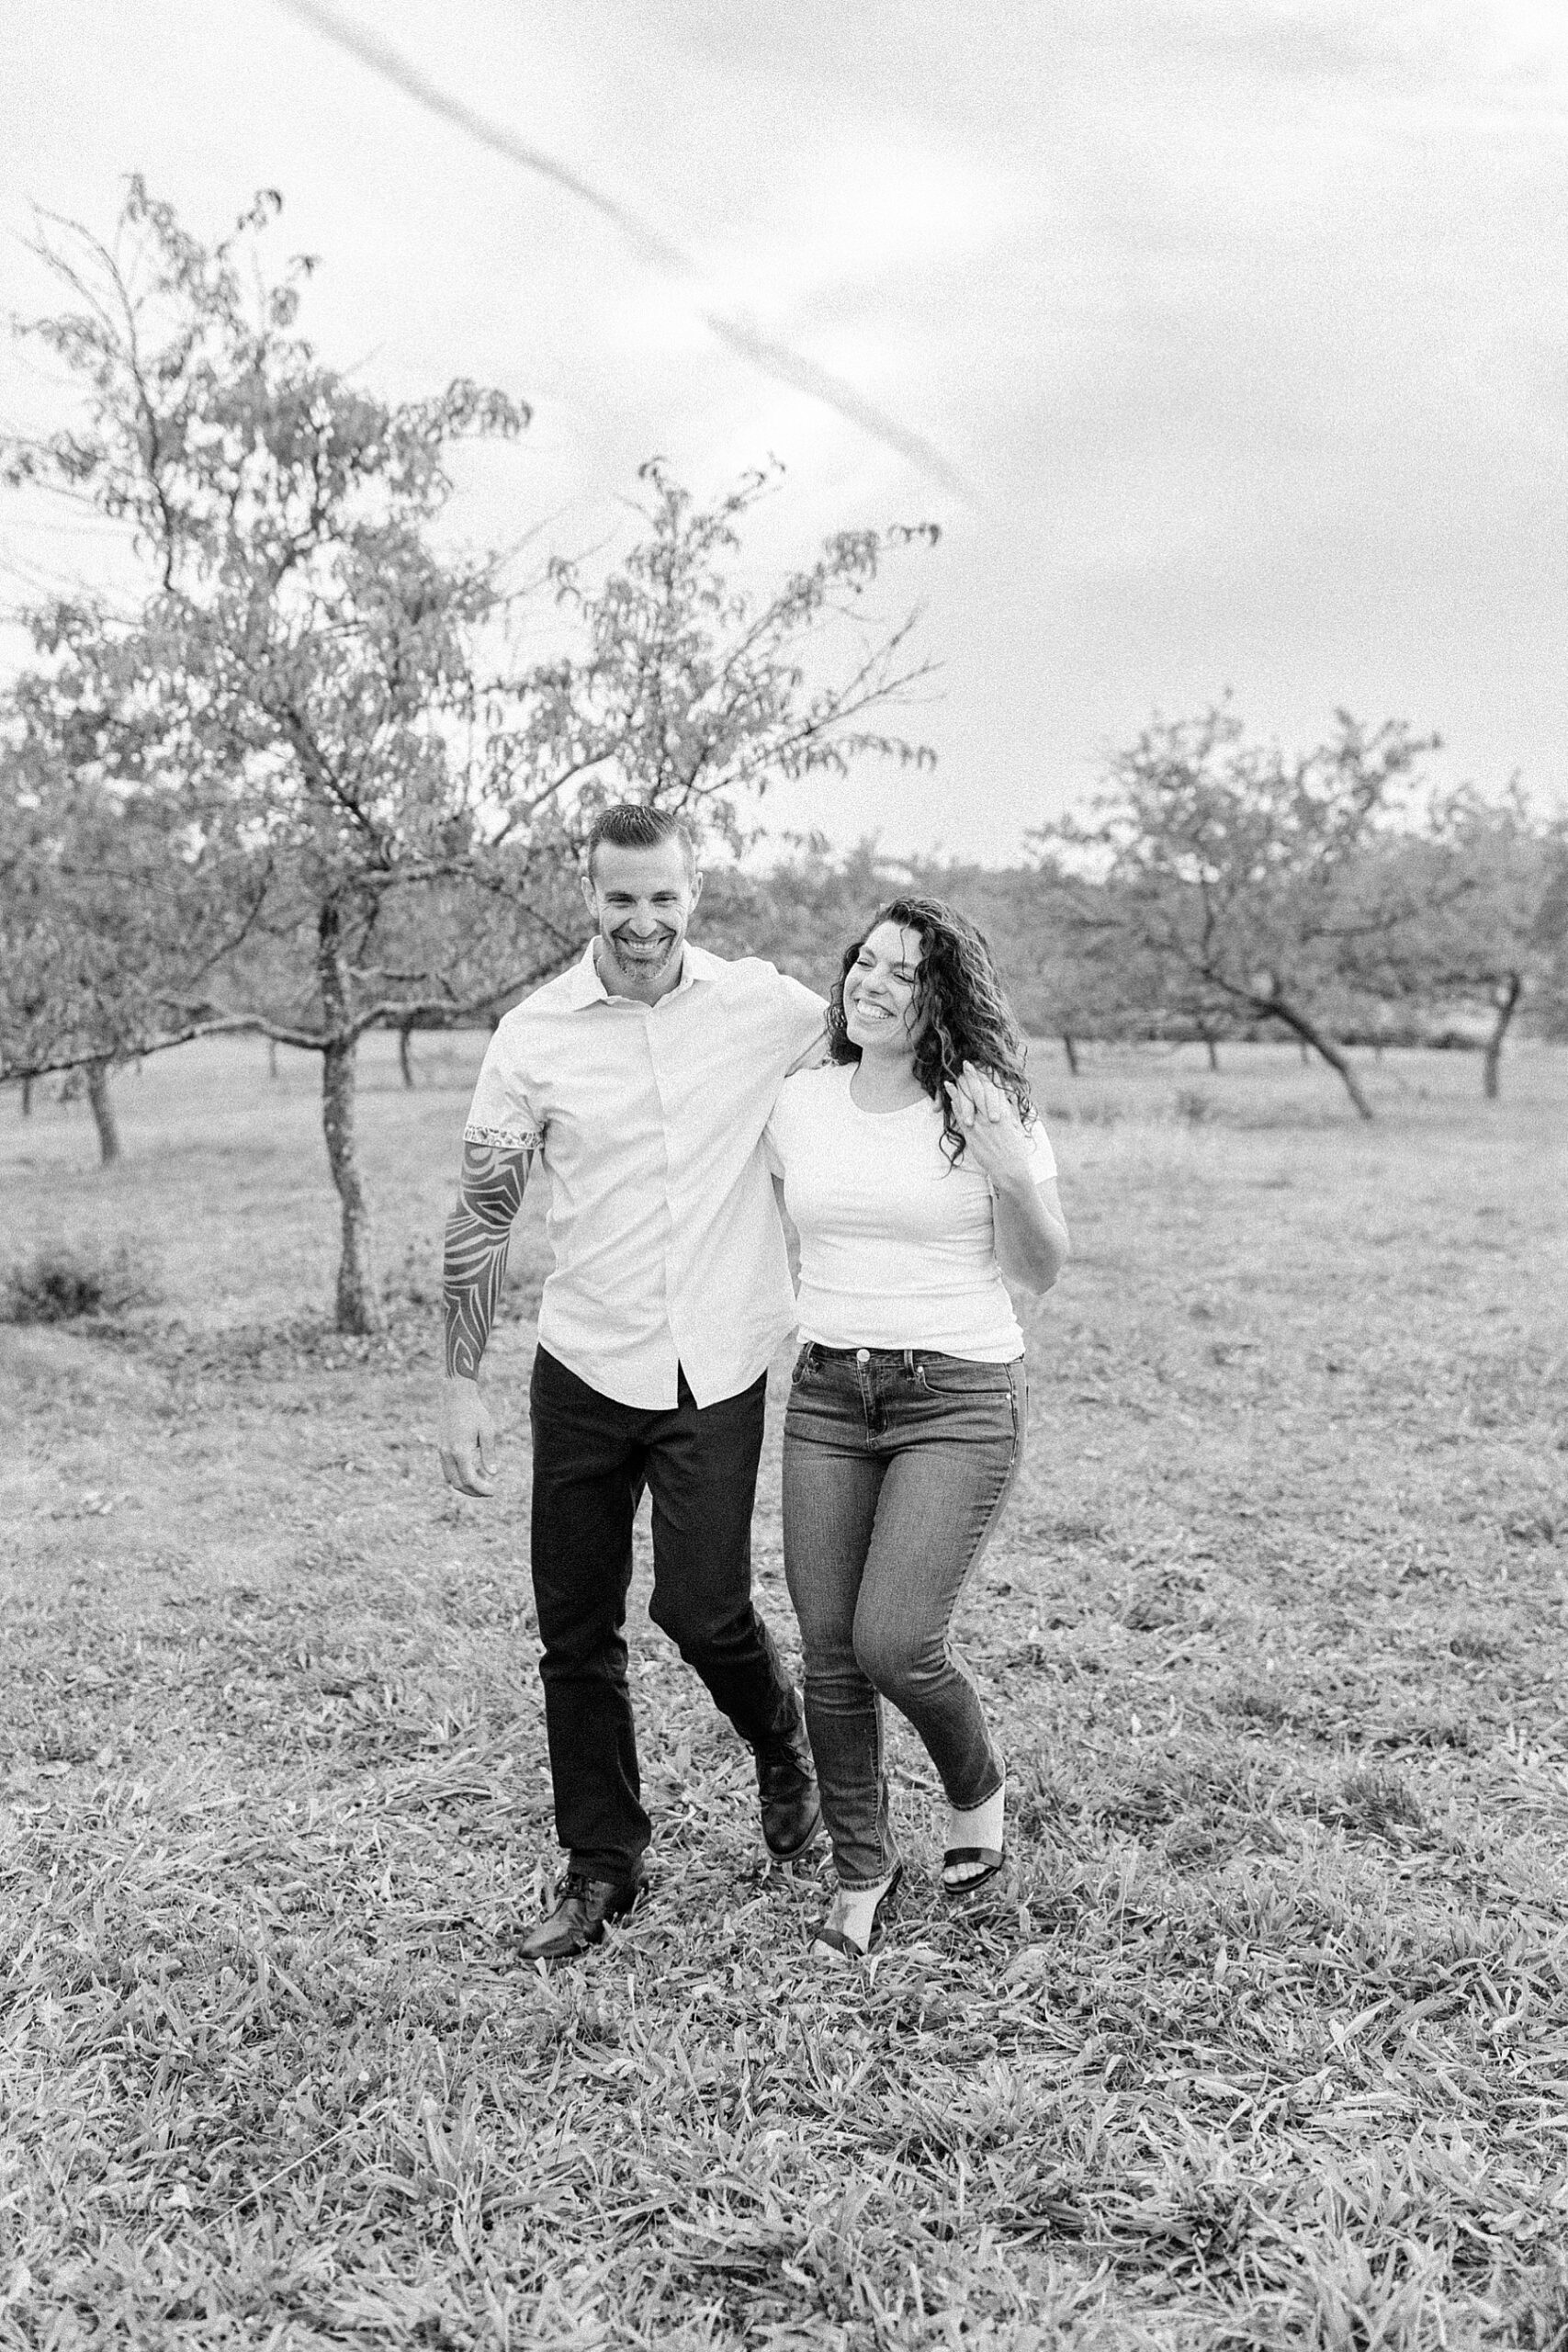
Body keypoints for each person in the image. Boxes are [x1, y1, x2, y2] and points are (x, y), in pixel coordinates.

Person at [438, 804, 827, 1965]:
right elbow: (484, 1214)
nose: (643, 920)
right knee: (575, 1629)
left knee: (701, 1607)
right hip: (585, 1367)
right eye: (620, 898)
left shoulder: (769, 1008)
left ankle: (782, 1744)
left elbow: (886, 1043)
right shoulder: (535, 1034)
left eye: (663, 897)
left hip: (717, 1366)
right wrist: (462, 1384)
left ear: (693, 892)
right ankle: (604, 1862)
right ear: (587, 893)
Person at [765, 897, 1069, 1961]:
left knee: (896, 1639)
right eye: (865, 962)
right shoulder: (799, 1101)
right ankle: (861, 1865)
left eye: (903, 970)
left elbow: (1039, 1269)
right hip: (828, 1395)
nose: (872, 982)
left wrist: (1004, 1162)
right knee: (831, 1653)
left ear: (940, 995)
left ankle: (975, 1785)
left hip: (959, 1393)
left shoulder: (985, 1102)